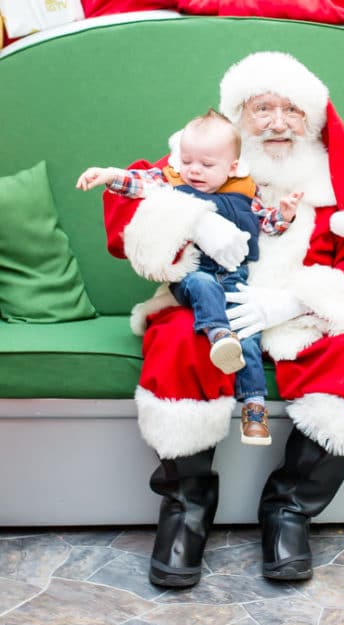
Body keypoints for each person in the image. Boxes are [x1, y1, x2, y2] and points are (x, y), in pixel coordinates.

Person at [100, 51, 344, 588]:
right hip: (211, 308)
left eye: (292, 110)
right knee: (174, 340)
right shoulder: (197, 167)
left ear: (315, 123)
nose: (278, 123)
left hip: (294, 318)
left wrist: (293, 302)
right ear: (239, 116)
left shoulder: (333, 197)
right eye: (263, 108)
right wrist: (191, 215)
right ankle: (185, 509)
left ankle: (289, 510)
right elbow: (131, 232)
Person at [77, 109, 302, 447]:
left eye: (206, 165)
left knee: (251, 339)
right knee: (201, 285)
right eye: (187, 160)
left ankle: (254, 409)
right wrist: (108, 174)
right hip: (192, 275)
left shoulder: (247, 190)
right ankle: (217, 332)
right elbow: (138, 184)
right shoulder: (172, 180)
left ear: (232, 166)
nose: (194, 170)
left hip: (236, 280)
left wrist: (284, 215)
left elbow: (265, 225)